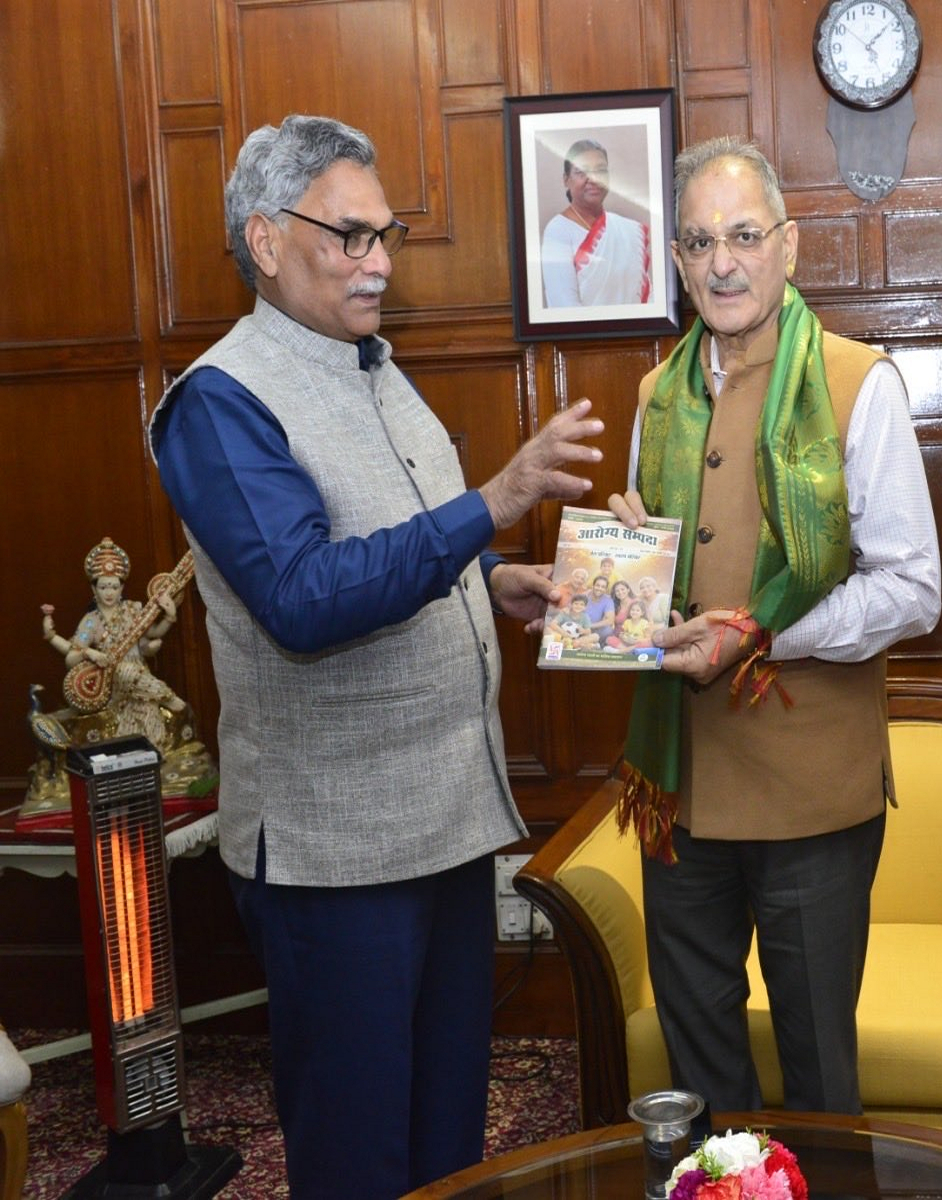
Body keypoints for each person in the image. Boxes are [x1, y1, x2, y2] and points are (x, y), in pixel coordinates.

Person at [146, 114, 604, 1199]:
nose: (380, 263)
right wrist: (492, 505)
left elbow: (394, 536)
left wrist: (494, 580)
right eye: (350, 237)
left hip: (439, 820)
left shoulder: (372, 367)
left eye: (385, 235)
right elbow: (302, 597)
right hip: (331, 853)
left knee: (447, 1129)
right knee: (359, 1150)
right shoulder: (220, 403)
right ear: (264, 240)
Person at [606, 136, 941, 1116]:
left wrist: (758, 636)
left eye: (744, 236)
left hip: (811, 802)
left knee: (819, 1076)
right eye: (701, 241)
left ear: (788, 247)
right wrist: (622, 569)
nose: (722, 262)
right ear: (676, 261)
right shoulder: (655, 397)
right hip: (681, 791)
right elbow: (658, 597)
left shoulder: (855, 382)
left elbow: (912, 589)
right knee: (698, 1061)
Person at [41, 537, 189, 748]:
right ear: (94, 590)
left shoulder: (134, 610)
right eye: (103, 587)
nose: (109, 592)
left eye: (113, 587)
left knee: (149, 722)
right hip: (112, 682)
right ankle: (167, 696)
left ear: (121, 587)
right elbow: (72, 656)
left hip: (141, 680)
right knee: (122, 670)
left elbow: (152, 635)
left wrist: (169, 617)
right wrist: (89, 653)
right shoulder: (90, 622)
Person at [540, 139, 652, 308]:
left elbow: (648, 296)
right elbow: (564, 306)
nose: (592, 178)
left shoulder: (627, 230)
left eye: (600, 170)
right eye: (581, 171)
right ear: (566, 180)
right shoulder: (558, 231)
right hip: (583, 334)